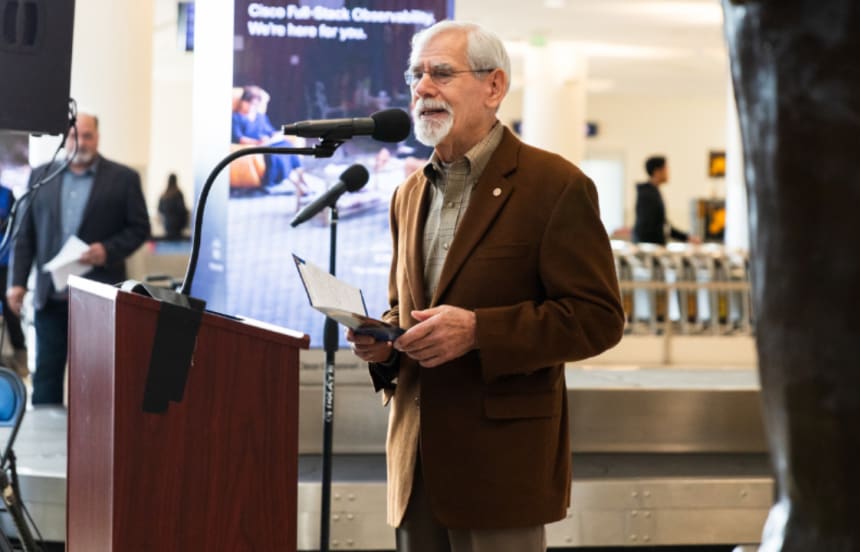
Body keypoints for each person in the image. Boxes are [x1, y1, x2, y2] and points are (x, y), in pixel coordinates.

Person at [346, 21, 625, 552]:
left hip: (500, 467)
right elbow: (402, 307)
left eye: (442, 74)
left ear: (494, 87)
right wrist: (384, 344)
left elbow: (598, 318)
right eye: (416, 75)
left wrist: (479, 332)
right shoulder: (407, 194)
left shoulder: (555, 186)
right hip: (415, 465)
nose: (423, 88)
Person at [7, 113, 150, 405]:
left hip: (102, 299)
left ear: (98, 137)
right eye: (74, 136)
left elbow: (139, 228)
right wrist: (16, 283)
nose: (80, 142)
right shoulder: (41, 176)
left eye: (87, 135)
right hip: (52, 296)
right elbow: (26, 236)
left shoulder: (123, 179)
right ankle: (45, 446)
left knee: (98, 379)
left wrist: (108, 250)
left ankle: (93, 446)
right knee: (46, 377)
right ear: (65, 138)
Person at [231, 86, 303, 188]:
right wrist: (257, 142)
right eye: (249, 103)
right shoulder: (236, 118)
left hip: (267, 142)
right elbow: (239, 138)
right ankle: (293, 184)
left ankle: (301, 180)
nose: (251, 107)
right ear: (243, 101)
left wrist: (275, 135)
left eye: (254, 104)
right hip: (253, 145)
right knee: (275, 154)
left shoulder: (260, 116)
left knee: (287, 145)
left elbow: (270, 131)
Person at [632, 155, 698, 245]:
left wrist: (686, 237)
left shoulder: (654, 192)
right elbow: (652, 227)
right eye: (666, 169)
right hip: (649, 247)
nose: (668, 172)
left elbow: (663, 223)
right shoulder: (647, 195)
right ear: (657, 171)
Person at [0, 185, 28, 377]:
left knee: (11, 312)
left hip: (4, 262)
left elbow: (15, 227)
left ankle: (20, 361)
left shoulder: (6, 194)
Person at [157, 172, 189, 240]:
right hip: (178, 225)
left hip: (168, 225)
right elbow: (182, 209)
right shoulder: (178, 194)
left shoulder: (164, 194)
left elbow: (160, 209)